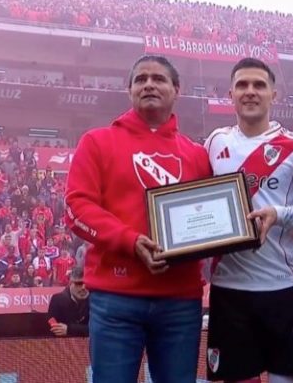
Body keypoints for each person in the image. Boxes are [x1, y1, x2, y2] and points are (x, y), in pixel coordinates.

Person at [65, 55, 212, 383]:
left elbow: (210, 218)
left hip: (180, 300)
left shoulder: (197, 155)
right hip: (115, 298)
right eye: (140, 79)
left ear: (176, 90)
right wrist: (130, 241)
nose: (149, 84)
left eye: (158, 79)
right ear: (129, 90)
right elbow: (77, 207)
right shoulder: (97, 142)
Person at [203, 57, 293, 383]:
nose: (250, 92)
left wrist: (279, 215)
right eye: (242, 85)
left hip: (283, 289)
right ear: (230, 94)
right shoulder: (216, 142)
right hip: (228, 289)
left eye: (259, 85)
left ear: (275, 94)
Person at [47, 266, 90, 337]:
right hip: (64, 345)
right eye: (79, 283)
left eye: (87, 283)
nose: (83, 288)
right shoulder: (57, 300)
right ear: (70, 283)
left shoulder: (94, 301)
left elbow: (99, 330)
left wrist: (69, 329)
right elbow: (54, 330)